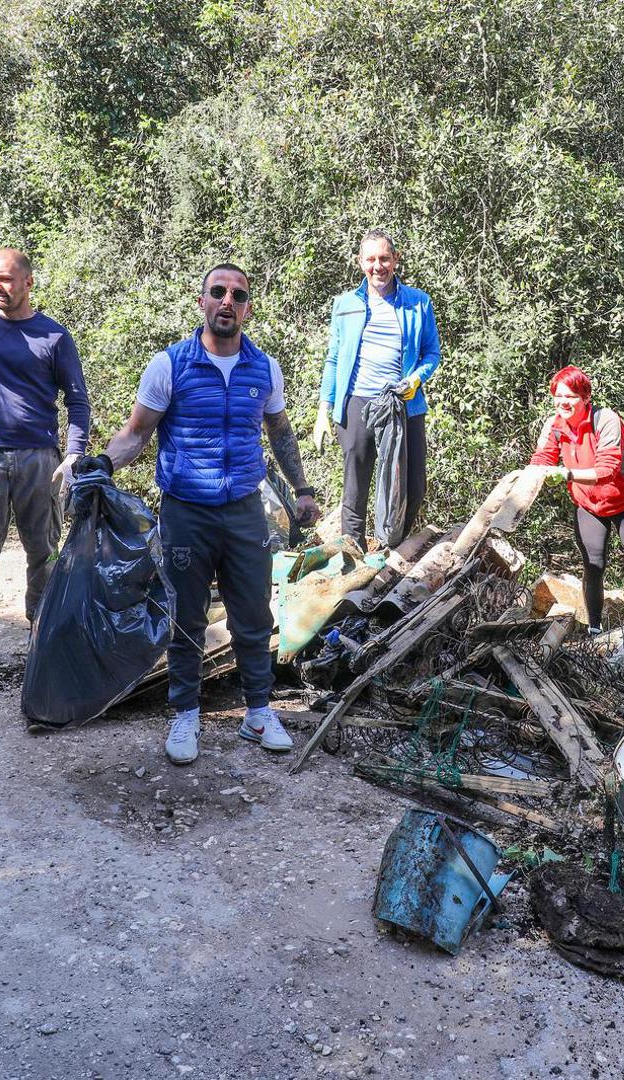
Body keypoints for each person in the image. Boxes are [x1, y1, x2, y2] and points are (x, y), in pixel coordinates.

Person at [85, 263, 321, 765]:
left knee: (253, 614)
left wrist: (302, 488)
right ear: (202, 302)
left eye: (238, 294)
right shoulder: (170, 365)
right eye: (218, 292)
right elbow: (136, 433)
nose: (227, 301)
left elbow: (279, 431)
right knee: (188, 618)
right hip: (186, 511)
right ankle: (185, 714)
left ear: (248, 308)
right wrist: (104, 462)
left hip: (244, 510)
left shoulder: (264, 368)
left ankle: (258, 712)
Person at [0, 247, 91, 676]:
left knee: (43, 550)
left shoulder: (54, 336)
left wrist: (73, 453)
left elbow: (78, 400)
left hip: (38, 458)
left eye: (6, 279)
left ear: (28, 282)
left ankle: (40, 636)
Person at [311, 229, 441, 549]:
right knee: (356, 483)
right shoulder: (344, 305)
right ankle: (351, 553)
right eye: (370, 259)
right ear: (360, 263)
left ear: (395, 260)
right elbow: (333, 359)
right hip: (357, 401)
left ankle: (391, 547)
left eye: (384, 258)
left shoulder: (418, 303)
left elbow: (432, 354)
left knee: (413, 487)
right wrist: (323, 410)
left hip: (402, 404)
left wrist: (416, 380)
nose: (377, 266)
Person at [528, 365, 624, 632]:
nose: (563, 402)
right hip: (588, 505)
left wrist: (566, 474)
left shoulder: (605, 420)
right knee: (593, 565)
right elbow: (543, 458)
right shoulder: (554, 425)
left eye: (570, 396)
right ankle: (595, 629)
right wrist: (532, 473)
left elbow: (607, 470)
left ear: (585, 398)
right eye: (558, 396)